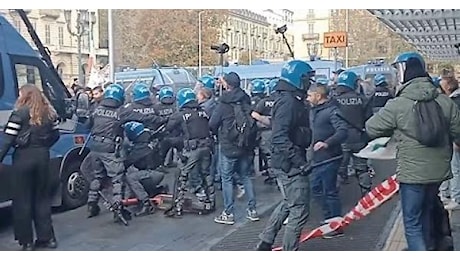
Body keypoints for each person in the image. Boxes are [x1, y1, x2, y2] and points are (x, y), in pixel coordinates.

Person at [365, 51, 460, 251]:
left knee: (412, 222)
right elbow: (457, 131)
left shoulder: (398, 104)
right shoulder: (445, 102)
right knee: (426, 212)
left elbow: (372, 127)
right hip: (439, 173)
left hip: (412, 174)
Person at [256, 60, 314, 251]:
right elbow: (279, 137)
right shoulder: (289, 102)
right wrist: (299, 162)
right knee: (298, 210)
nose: (310, 83)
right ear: (298, 79)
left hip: (287, 161)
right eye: (307, 79)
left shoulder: (289, 99)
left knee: (288, 203)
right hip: (290, 164)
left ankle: (265, 242)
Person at [0, 84, 60, 250]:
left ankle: (26, 242)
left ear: (25, 96)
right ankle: (48, 238)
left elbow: (7, 140)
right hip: (43, 158)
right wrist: (44, 146)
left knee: (22, 200)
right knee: (42, 199)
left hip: (23, 159)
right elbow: (56, 135)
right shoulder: (49, 113)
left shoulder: (19, 113)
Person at [209, 72, 259, 225]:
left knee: (227, 178)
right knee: (245, 177)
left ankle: (228, 213)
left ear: (228, 85)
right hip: (245, 145)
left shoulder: (223, 103)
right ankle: (252, 210)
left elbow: (212, 124)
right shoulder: (246, 99)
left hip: (228, 146)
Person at [164, 88, 215, 215]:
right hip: (207, 147)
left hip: (193, 149)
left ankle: (178, 206)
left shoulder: (181, 114)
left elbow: (168, 128)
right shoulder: (203, 112)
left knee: (182, 175)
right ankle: (211, 202)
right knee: (206, 175)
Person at [307, 83, 348, 238]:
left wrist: (327, 143)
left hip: (330, 157)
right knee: (316, 188)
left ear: (318, 96)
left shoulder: (332, 111)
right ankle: (329, 219)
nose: (307, 98)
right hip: (318, 159)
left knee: (330, 191)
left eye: (310, 95)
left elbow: (343, 131)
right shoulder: (313, 111)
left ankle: (336, 225)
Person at [123, 121, 167, 217]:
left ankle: (145, 203)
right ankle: (152, 192)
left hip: (152, 173)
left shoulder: (139, 147)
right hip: (158, 171)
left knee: (130, 177)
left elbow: (127, 163)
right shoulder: (147, 140)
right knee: (134, 174)